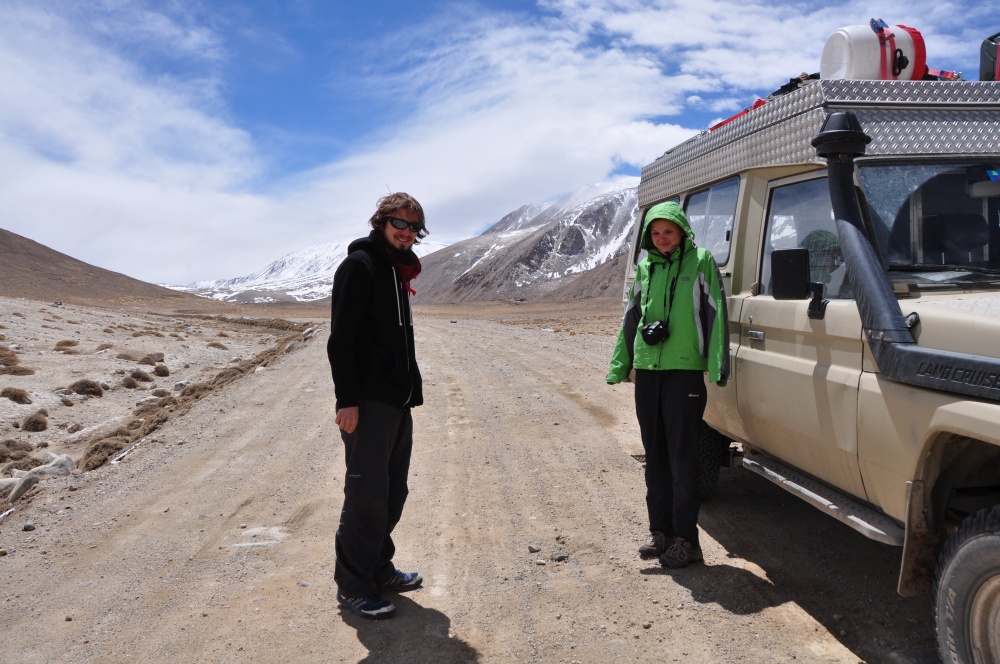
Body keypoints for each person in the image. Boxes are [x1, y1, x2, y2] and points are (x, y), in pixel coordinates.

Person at [606, 201, 729, 568]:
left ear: (682, 232)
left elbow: (716, 312)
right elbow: (632, 315)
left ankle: (687, 541)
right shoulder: (646, 265)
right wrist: (621, 363)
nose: (662, 239)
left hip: (684, 372)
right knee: (654, 455)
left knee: (682, 459)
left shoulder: (702, 260)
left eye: (668, 232)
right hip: (649, 370)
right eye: (656, 233)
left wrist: (717, 364)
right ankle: (659, 533)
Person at [327, 192, 428, 619]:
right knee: (366, 494)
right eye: (399, 224)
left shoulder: (394, 270)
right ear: (382, 222)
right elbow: (341, 339)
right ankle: (353, 586)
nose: (406, 232)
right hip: (367, 404)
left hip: (396, 402)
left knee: (392, 491)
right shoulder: (361, 265)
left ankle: (378, 568)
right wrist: (347, 400)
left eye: (413, 227)